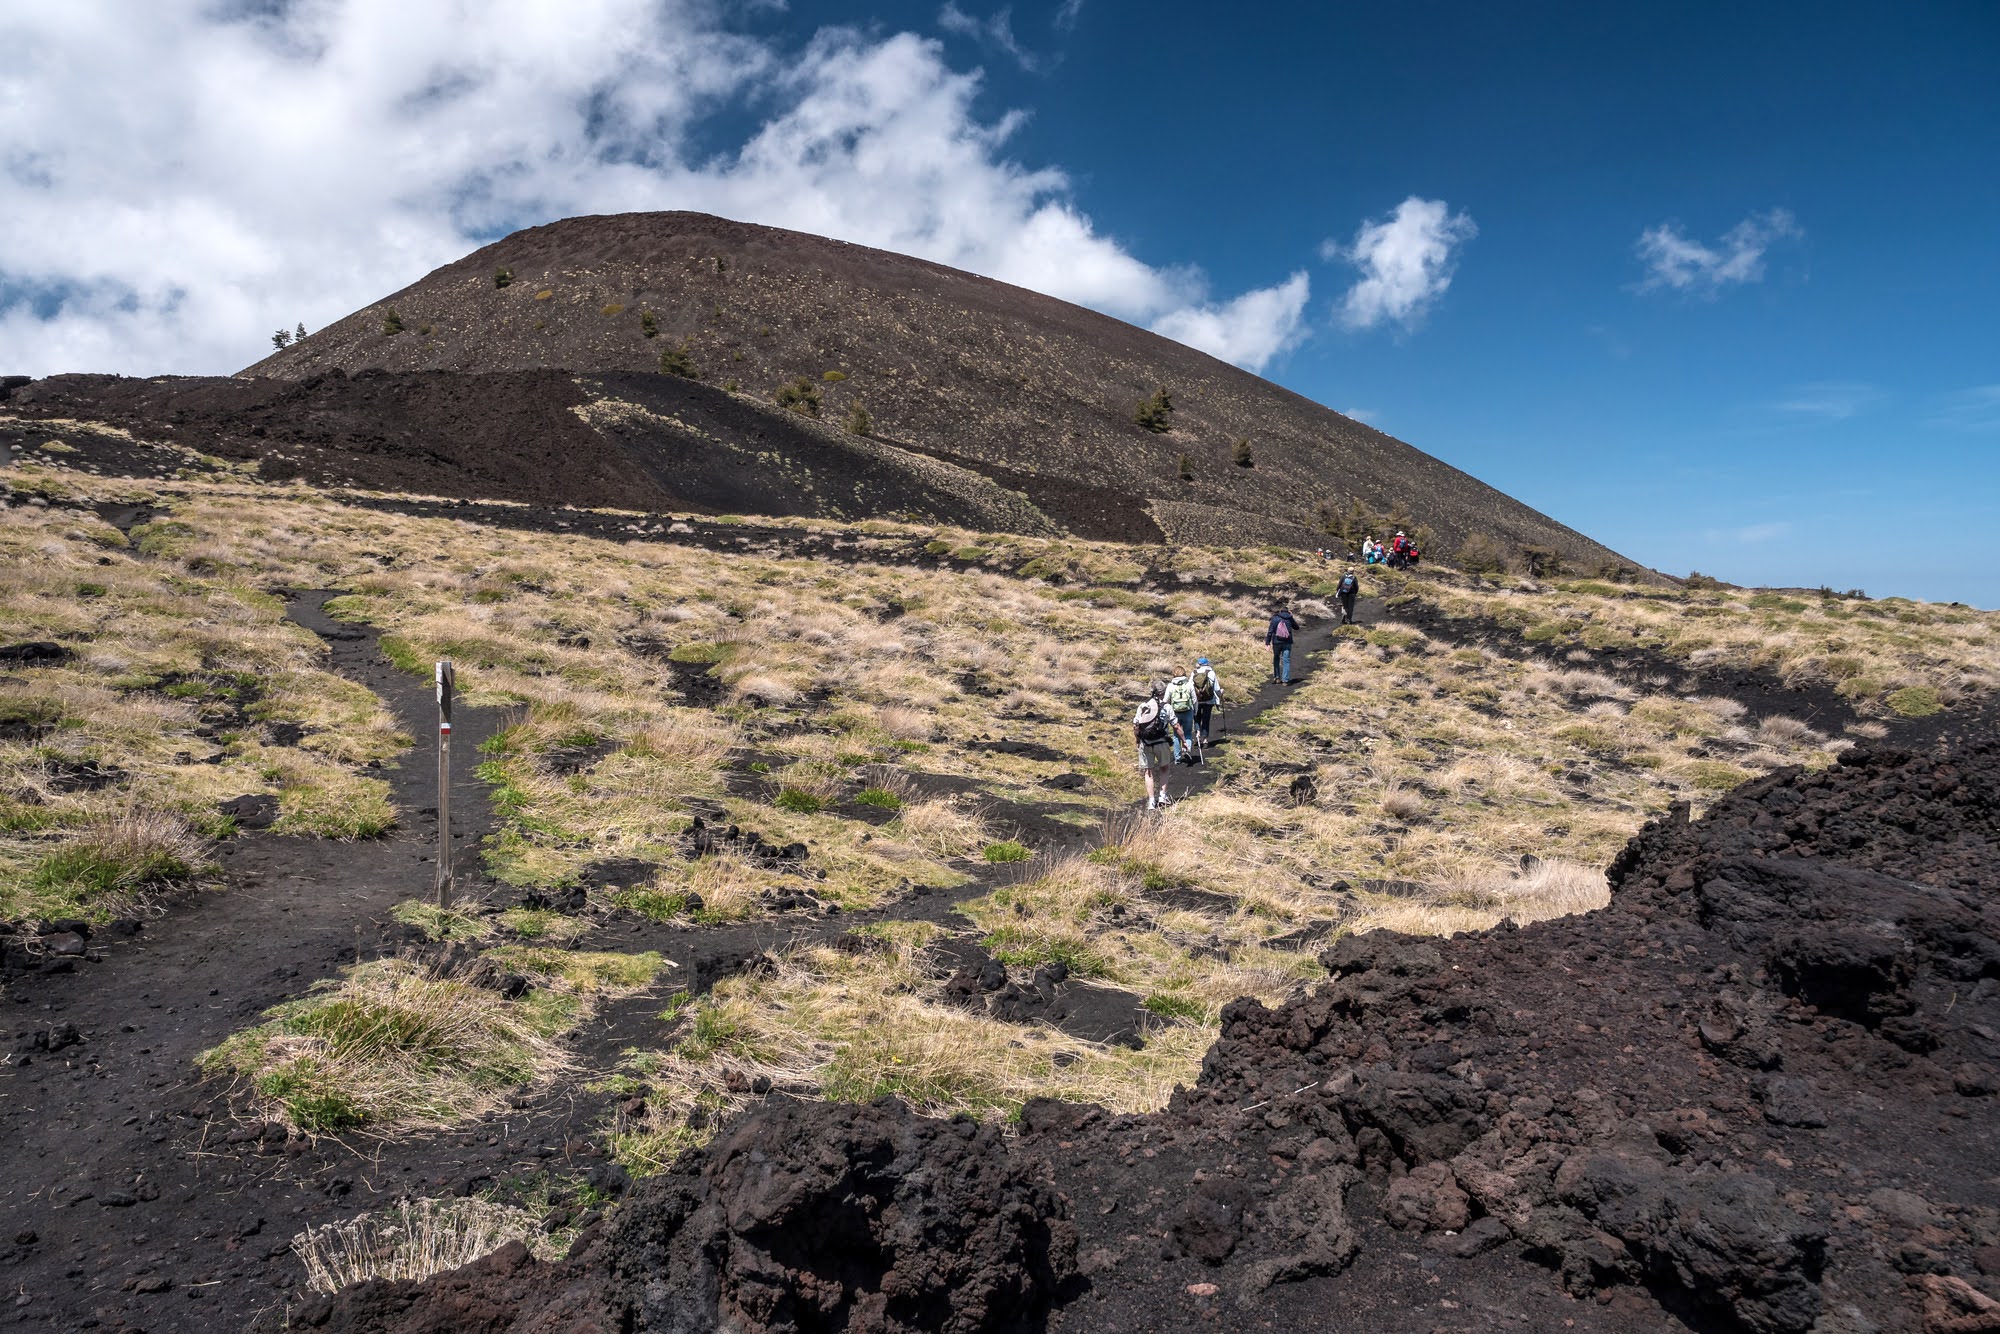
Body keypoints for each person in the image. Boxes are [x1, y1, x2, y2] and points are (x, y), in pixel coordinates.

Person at [1132, 683, 1187, 809]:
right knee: (1164, 768)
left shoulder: (1143, 706)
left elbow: (1136, 726)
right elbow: (1176, 726)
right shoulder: (1167, 707)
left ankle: (1151, 801)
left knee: (1148, 772)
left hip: (1146, 743)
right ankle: (1162, 796)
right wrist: (1183, 740)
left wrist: (1138, 740)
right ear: (1164, 692)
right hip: (1162, 743)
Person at [1163, 671, 1199, 762]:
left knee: (1176, 735)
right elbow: (1194, 700)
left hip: (1175, 712)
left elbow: (1165, 700)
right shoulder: (1189, 684)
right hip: (1188, 711)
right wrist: (1195, 711)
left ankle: (1177, 758)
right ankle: (1186, 750)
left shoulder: (1170, 686)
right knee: (1187, 733)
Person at [1190, 656, 1223, 748]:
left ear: (1199, 664)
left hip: (1196, 701)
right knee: (1206, 719)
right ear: (1207, 663)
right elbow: (1216, 688)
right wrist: (1220, 694)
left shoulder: (1194, 673)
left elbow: (1190, 687)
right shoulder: (1211, 673)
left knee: (1197, 719)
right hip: (1209, 700)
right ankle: (1205, 740)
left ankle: (1197, 737)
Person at [1266, 604, 1300, 684]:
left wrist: (1267, 643)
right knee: (1286, 660)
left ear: (1280, 611)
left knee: (1276, 658)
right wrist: (1291, 616)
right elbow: (1296, 627)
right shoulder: (1289, 618)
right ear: (1288, 612)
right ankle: (1285, 680)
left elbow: (1270, 631)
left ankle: (1277, 678)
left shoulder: (1275, 618)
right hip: (1287, 642)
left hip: (1276, 642)